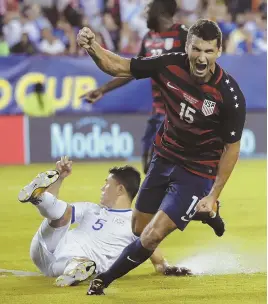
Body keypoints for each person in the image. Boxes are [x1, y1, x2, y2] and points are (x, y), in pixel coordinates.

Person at [76, 18, 246, 295]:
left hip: (197, 171)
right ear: (187, 47)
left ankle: (103, 280)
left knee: (152, 235)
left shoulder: (229, 95)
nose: (201, 58)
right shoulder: (168, 64)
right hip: (164, 156)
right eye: (196, 49)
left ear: (219, 51)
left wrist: (213, 193)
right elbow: (119, 66)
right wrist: (93, 47)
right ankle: (202, 213)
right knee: (138, 227)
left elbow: (232, 148)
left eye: (208, 51)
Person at [18, 156, 191, 287]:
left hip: (71, 264)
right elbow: (55, 214)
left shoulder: (137, 223)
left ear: (120, 189)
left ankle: (76, 269)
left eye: (106, 184)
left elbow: (159, 261)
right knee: (63, 214)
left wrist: (170, 268)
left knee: (80, 263)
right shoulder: (91, 209)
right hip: (45, 249)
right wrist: (60, 178)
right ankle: (38, 198)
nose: (102, 188)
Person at [81, 0, 187, 175]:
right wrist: (102, 90)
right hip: (157, 111)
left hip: (177, 112)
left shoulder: (184, 35)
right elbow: (131, 71)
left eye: (149, 8)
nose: (145, 12)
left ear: (160, 11)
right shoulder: (149, 38)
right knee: (148, 163)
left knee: (161, 164)